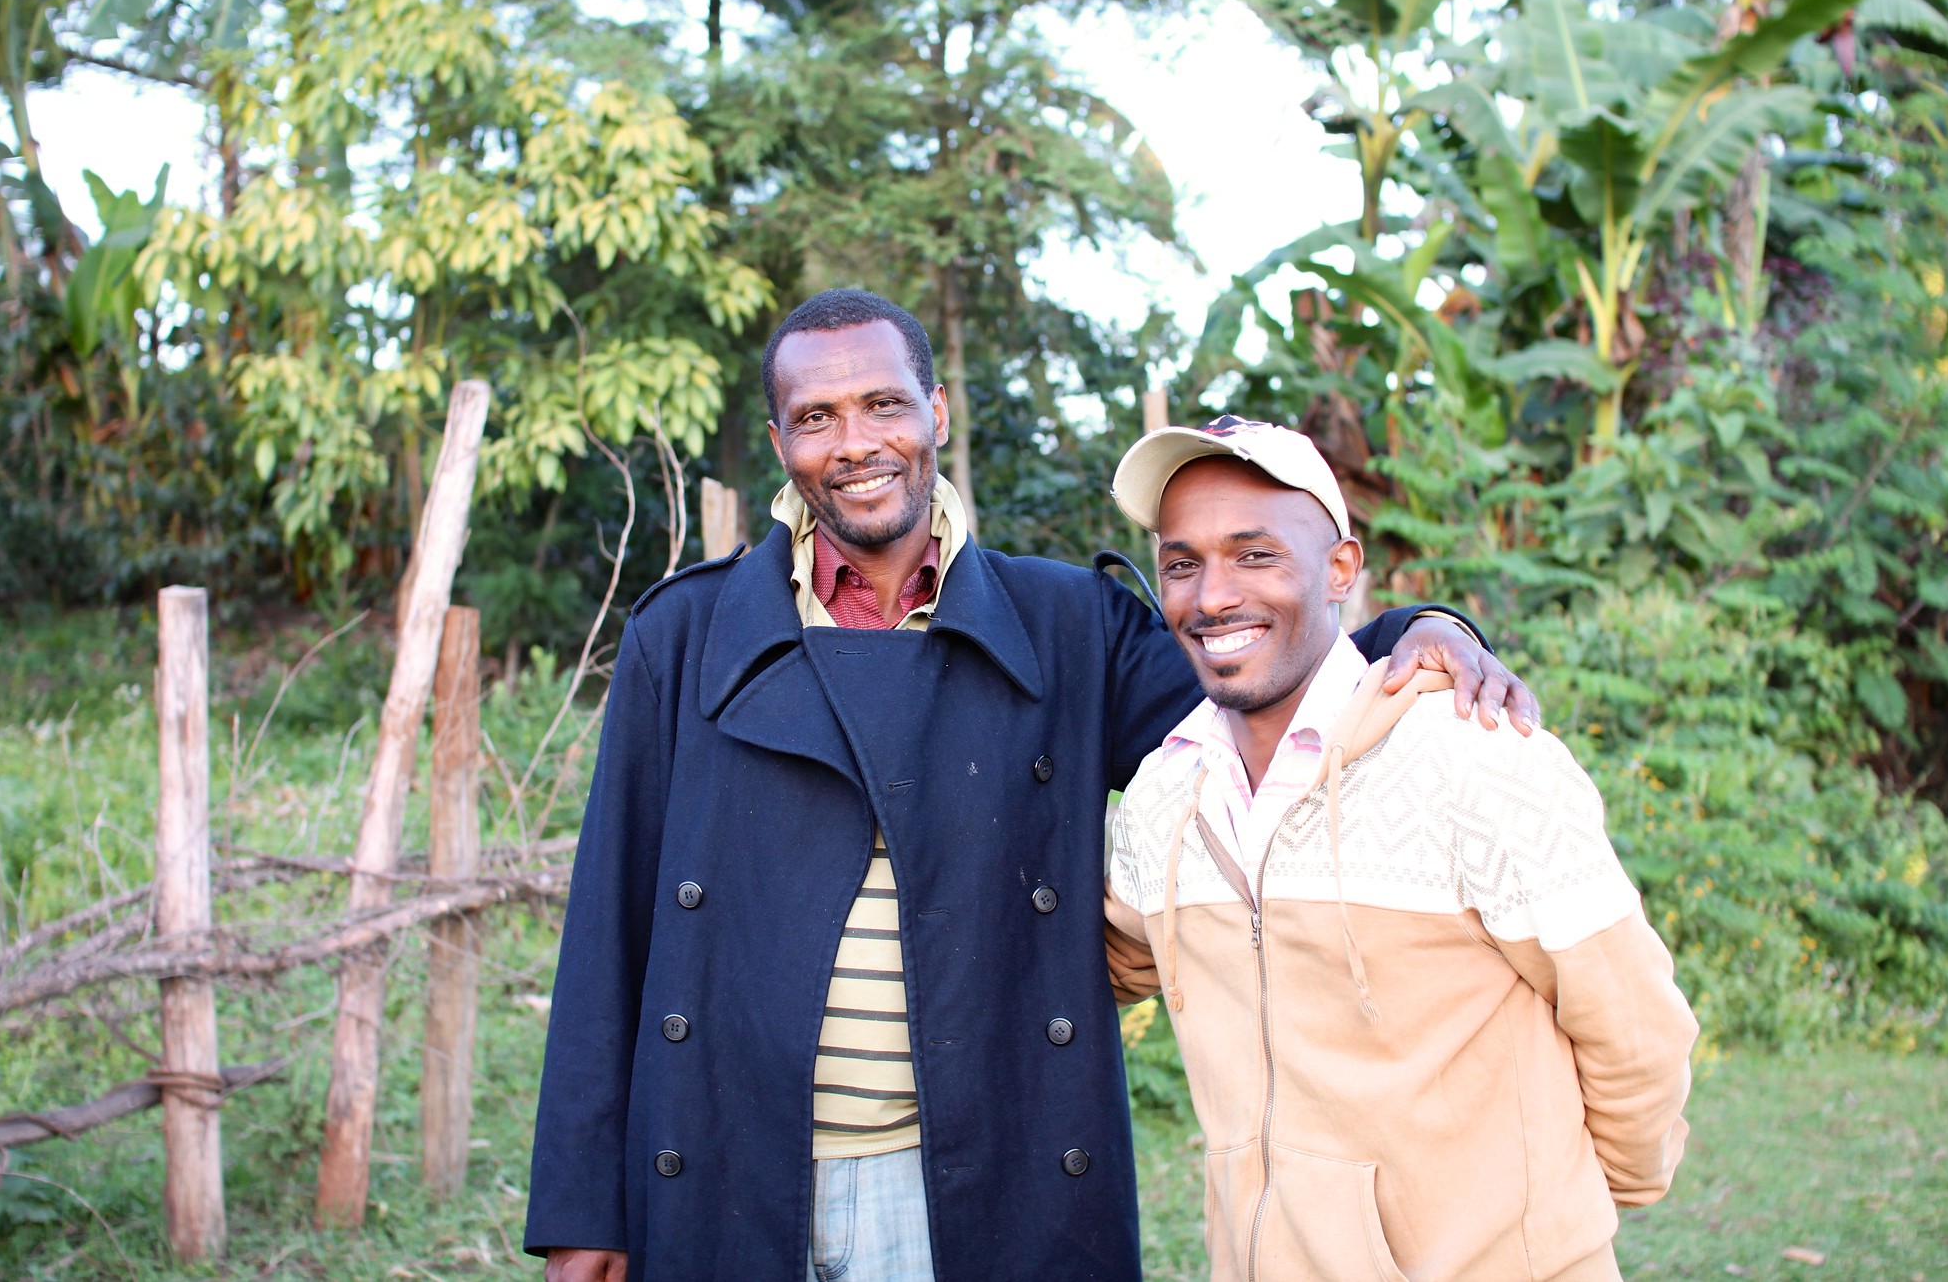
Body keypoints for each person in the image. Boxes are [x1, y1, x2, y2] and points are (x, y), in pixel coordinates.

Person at [527, 291, 1539, 1282]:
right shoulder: (686, 635)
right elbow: (608, 928)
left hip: (975, 1184)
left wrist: (1419, 629)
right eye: (815, 418)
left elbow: (1260, 675)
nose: (854, 442)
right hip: (723, 1174)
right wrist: (581, 1205)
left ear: (936, 413)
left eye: (883, 404)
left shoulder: (1065, 625)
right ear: (780, 442)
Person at [1103, 417, 1699, 1282]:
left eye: (1255, 553)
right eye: (1182, 563)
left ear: (1340, 569)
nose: (1212, 595)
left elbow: (1631, 1023)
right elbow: (1103, 961)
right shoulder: (1163, 795)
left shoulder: (1473, 751)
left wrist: (1552, 1225)